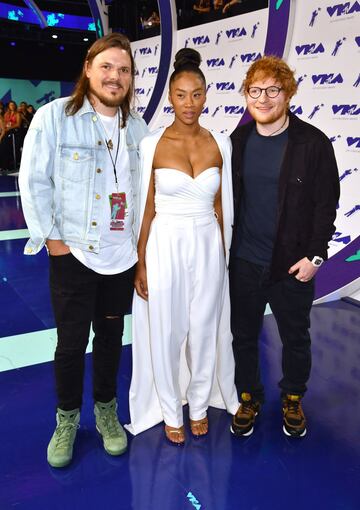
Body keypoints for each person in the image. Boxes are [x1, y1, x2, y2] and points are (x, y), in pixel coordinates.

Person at [19, 33, 148, 467]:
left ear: (131, 79)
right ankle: (67, 419)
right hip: (73, 252)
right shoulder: (54, 117)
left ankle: (106, 412)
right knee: (71, 344)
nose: (115, 76)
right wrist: (52, 239)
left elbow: (144, 191)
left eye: (124, 70)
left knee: (111, 338)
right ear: (89, 68)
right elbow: (33, 181)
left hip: (120, 255)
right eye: (107, 67)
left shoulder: (138, 128)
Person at [126, 48, 238, 445]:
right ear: (170, 96)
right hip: (165, 243)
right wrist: (140, 264)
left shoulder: (220, 144)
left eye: (196, 95)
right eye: (181, 95)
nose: (189, 103)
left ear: (206, 96)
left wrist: (223, 254)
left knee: (205, 328)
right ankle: (170, 409)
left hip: (208, 243)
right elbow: (146, 208)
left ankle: (200, 405)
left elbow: (223, 205)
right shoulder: (152, 144)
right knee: (168, 329)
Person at [229, 55, 340, 438]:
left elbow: (326, 206)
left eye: (272, 90)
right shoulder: (237, 142)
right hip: (244, 262)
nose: (263, 98)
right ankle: (249, 396)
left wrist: (315, 257)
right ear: (246, 95)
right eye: (255, 91)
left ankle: (293, 397)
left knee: (295, 337)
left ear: (288, 93)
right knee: (242, 336)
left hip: (291, 266)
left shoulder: (313, 143)